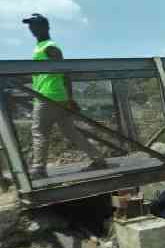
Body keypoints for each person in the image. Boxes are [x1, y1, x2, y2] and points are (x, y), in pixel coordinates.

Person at [23, 13, 107, 179]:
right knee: (70, 131)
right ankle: (98, 159)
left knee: (39, 131)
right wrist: (68, 99)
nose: (32, 29)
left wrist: (71, 98)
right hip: (55, 96)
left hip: (48, 96)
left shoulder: (50, 47)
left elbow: (65, 71)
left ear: (45, 27)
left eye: (35, 25)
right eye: (30, 26)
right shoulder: (41, 47)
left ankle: (39, 168)